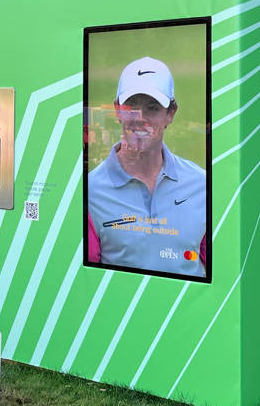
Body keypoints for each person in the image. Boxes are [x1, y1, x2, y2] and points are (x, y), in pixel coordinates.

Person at [86, 56, 207, 278]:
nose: (140, 119)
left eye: (152, 108)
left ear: (170, 113)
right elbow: (86, 280)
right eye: (131, 107)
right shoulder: (90, 191)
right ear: (117, 110)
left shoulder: (202, 184)